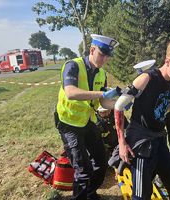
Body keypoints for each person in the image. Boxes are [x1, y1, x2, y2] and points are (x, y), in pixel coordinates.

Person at [114, 39, 170, 200]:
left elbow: (166, 104)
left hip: (159, 138)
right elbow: (118, 106)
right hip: (141, 142)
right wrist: (122, 143)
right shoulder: (146, 78)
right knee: (142, 194)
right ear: (168, 61)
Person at [54, 34, 120, 200]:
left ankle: (90, 193)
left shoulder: (101, 73)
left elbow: (103, 102)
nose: (104, 59)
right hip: (68, 124)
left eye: (107, 56)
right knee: (83, 170)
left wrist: (118, 105)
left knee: (101, 161)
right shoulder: (72, 66)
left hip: (87, 121)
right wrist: (103, 93)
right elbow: (70, 93)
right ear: (92, 49)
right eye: (102, 54)